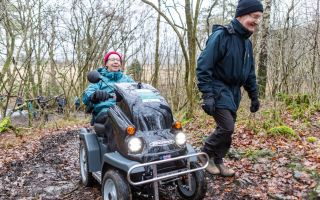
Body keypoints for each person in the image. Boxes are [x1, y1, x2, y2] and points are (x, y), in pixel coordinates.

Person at [196, 0, 263, 177]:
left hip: (234, 92)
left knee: (228, 129)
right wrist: (207, 94)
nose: (256, 21)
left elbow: (249, 73)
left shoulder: (247, 43)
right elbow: (203, 65)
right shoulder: (222, 36)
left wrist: (254, 96)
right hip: (218, 87)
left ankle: (218, 160)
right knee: (227, 127)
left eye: (259, 18)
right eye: (254, 16)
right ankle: (204, 154)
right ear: (241, 14)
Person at [82, 51, 134, 124]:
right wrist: (94, 96)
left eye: (118, 60)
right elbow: (87, 95)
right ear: (106, 63)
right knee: (114, 119)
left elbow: (137, 91)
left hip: (125, 110)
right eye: (112, 60)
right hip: (106, 111)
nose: (116, 62)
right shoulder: (99, 78)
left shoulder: (127, 79)